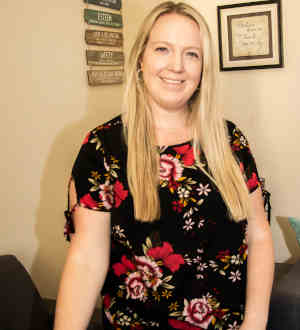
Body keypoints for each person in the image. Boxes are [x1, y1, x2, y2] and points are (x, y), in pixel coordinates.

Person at [54, 1, 274, 329]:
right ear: (141, 58)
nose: (177, 66)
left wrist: (254, 324)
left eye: (192, 54)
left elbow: (258, 236)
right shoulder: (102, 149)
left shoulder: (230, 141)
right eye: (162, 49)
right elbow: (86, 260)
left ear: (203, 69)